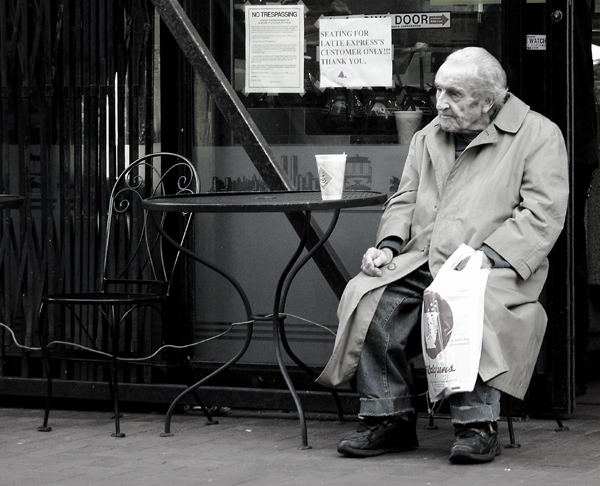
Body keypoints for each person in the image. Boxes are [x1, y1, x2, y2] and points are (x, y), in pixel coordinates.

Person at [316, 46, 569, 464]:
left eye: (453, 93)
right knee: (372, 296)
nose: (439, 103)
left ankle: (476, 426)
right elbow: (405, 198)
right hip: (423, 257)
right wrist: (387, 247)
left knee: (469, 304)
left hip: (494, 266)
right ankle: (389, 419)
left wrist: (488, 256)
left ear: (487, 101)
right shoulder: (428, 134)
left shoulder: (539, 135)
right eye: (438, 90)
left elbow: (543, 212)